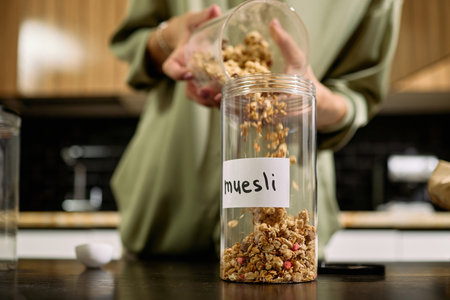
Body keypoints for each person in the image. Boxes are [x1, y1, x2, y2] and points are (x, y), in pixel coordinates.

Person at [110, 0, 402, 260]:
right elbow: (133, 43)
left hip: (289, 228)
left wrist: (312, 99)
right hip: (164, 205)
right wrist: (168, 38)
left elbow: (360, 92)